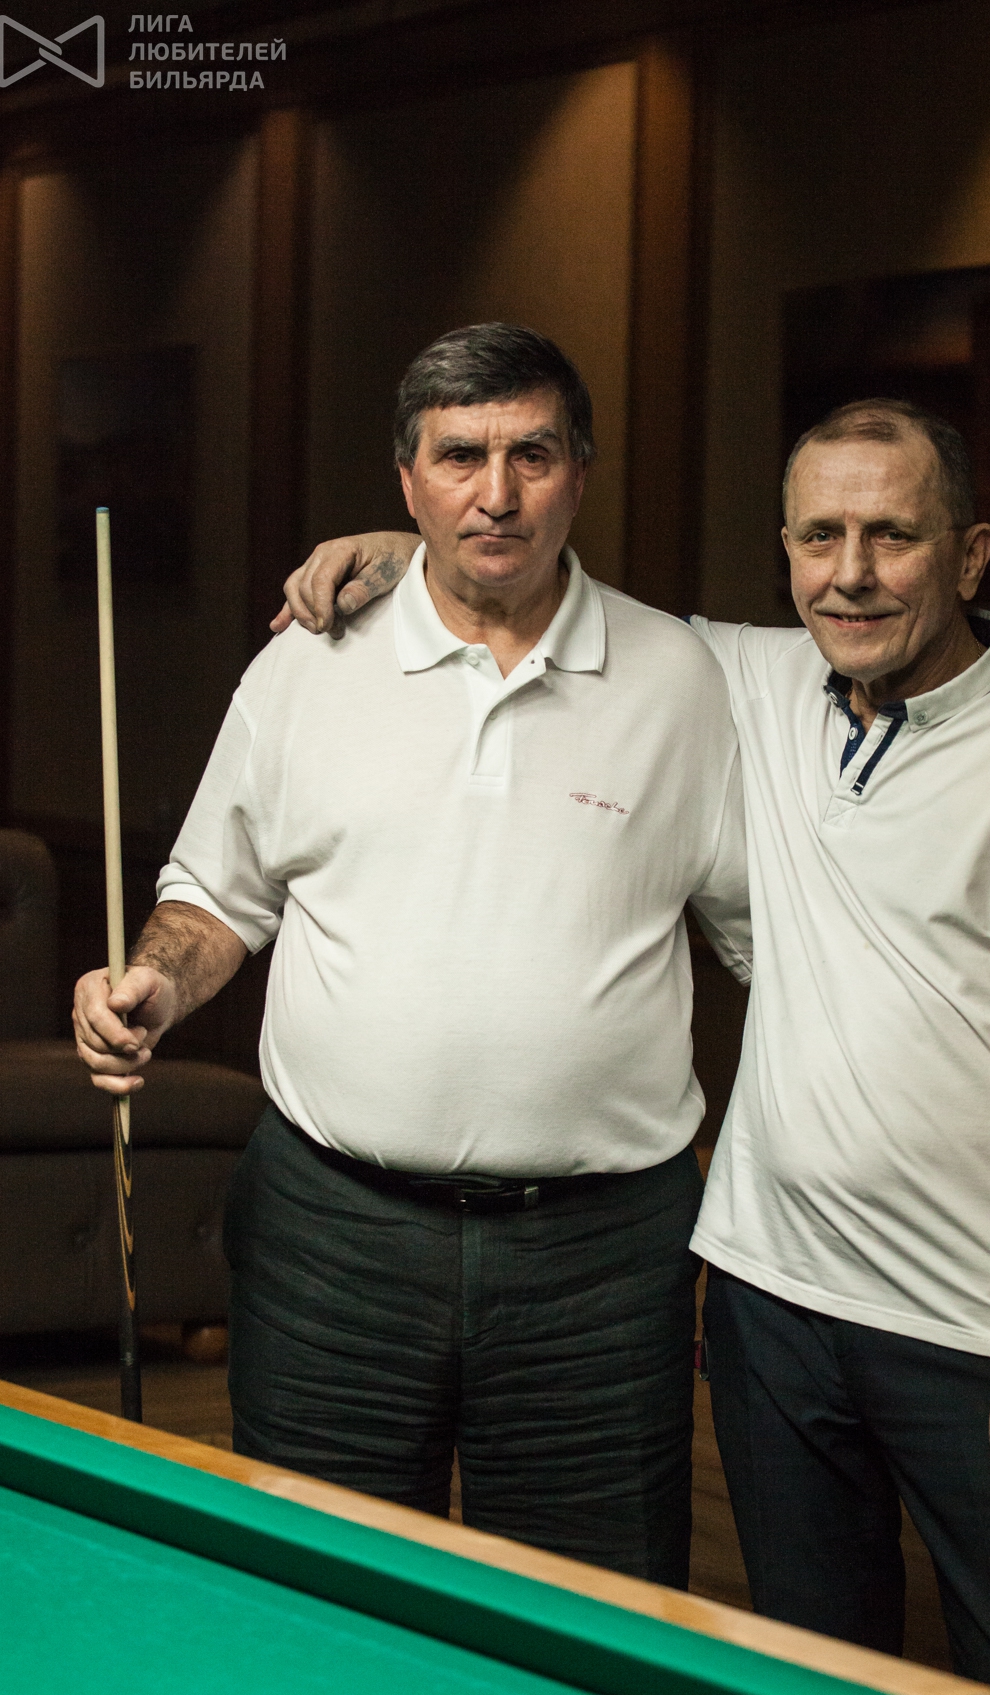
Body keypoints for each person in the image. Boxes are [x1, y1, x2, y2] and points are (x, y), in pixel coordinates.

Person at [287, 398, 990, 1692]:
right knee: (816, 1684)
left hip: (976, 1324)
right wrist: (402, 547)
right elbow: (547, 597)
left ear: (971, 555)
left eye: (892, 536)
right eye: (818, 537)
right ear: (786, 551)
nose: (850, 574)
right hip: (768, 1303)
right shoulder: (748, 678)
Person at [73, 323, 750, 1589]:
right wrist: (155, 981)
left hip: (598, 1260)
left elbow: (764, 941)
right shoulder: (303, 667)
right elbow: (213, 898)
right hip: (334, 1233)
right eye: (459, 458)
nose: (496, 493)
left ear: (580, 472)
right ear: (406, 479)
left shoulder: (685, 680)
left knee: (585, 1619)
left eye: (530, 454)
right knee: (318, 1596)